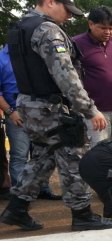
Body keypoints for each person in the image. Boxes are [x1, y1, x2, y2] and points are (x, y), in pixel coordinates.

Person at [0, 0, 112, 232]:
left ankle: (17, 208)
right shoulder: (47, 30)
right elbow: (65, 74)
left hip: (30, 104)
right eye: (67, 10)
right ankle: (82, 214)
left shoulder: (19, 28)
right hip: (52, 108)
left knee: (44, 156)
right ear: (51, 2)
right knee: (73, 157)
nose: (69, 17)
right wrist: (89, 108)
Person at [0, 45, 62, 201]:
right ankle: (20, 195)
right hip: (15, 114)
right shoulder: (1, 58)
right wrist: (10, 112)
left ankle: (42, 189)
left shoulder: (34, 54)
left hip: (40, 113)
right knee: (19, 155)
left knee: (42, 153)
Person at [73, 6, 112, 147]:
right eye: (103, 28)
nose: (108, 32)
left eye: (111, 28)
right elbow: (71, 79)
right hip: (95, 112)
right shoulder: (76, 43)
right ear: (90, 24)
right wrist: (89, 110)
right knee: (98, 154)